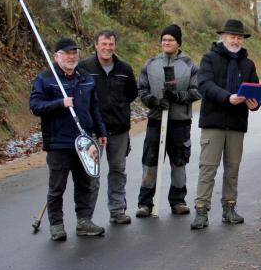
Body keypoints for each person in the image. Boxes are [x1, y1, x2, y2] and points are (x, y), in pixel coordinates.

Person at [30, 37, 108, 241]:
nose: (72, 57)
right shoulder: (45, 79)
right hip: (58, 142)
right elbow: (35, 106)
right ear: (57, 56)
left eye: (74, 53)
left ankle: (84, 221)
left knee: (85, 183)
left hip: (84, 140)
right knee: (57, 187)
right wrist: (60, 103)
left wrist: (101, 132)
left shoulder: (86, 77)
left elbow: (94, 108)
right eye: (67, 53)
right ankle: (56, 224)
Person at [191, 19, 261, 230]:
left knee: (232, 169)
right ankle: (201, 210)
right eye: (232, 36)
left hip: (237, 123)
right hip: (213, 122)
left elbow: (254, 88)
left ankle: (229, 208)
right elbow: (204, 84)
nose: (236, 40)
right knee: (208, 169)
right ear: (223, 37)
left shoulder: (248, 64)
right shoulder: (209, 58)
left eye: (239, 37)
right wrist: (227, 97)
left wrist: (254, 103)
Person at [136, 24, 201, 217]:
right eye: (164, 39)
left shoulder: (189, 65)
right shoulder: (151, 64)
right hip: (156, 121)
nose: (167, 42)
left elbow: (197, 91)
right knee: (150, 162)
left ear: (178, 42)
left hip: (180, 122)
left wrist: (178, 97)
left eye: (171, 40)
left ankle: (178, 201)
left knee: (178, 162)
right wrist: (154, 101)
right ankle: (145, 203)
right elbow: (142, 90)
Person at [79, 30, 138, 225]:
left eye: (111, 44)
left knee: (118, 171)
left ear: (115, 46)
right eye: (103, 44)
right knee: (91, 175)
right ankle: (86, 218)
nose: (107, 48)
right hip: (94, 131)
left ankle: (117, 210)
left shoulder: (124, 69)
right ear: (96, 45)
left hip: (119, 129)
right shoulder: (84, 68)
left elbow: (131, 94)